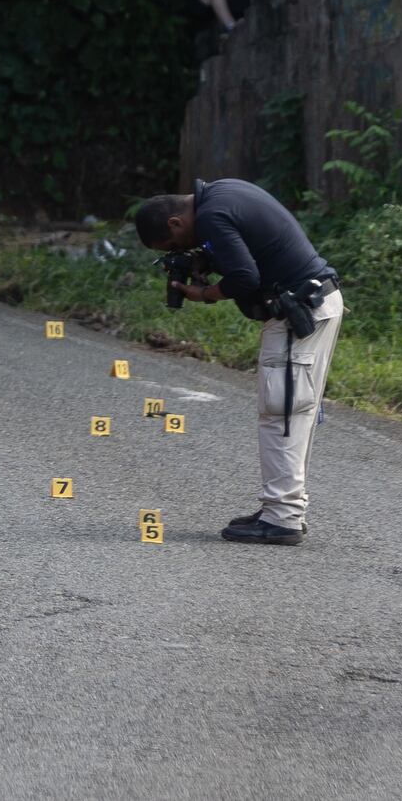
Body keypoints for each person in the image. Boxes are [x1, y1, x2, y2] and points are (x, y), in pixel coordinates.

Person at [135, 178, 343, 546]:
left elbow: (246, 277)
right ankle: (282, 508)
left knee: (282, 412)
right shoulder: (223, 192)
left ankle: (282, 518)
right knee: (294, 412)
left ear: (174, 223)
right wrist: (208, 260)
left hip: (299, 312)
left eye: (173, 244)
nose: (182, 248)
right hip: (314, 304)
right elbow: (253, 253)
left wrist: (202, 293)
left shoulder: (213, 214)